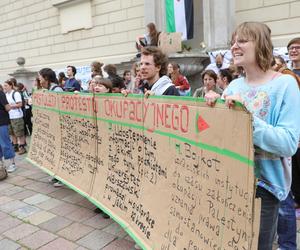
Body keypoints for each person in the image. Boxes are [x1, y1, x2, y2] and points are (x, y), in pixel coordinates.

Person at [206, 22, 300, 250]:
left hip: (265, 188)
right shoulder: (233, 87)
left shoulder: (285, 84)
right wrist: (209, 113)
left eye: (242, 41)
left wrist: (245, 118)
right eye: (233, 42)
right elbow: (218, 137)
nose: (234, 47)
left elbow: (288, 143)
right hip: (228, 181)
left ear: (261, 44)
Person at [38, 68, 64, 187]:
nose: (39, 79)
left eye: (40, 77)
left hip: (59, 127)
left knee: (60, 152)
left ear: (46, 78)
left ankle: (62, 177)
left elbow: (61, 108)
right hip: (52, 126)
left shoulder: (57, 90)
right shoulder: (47, 90)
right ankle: (56, 174)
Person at [3, 80, 27, 155]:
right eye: (4, 86)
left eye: (6, 85)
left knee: (19, 133)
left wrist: (10, 106)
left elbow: (20, 104)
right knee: (12, 133)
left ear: (11, 85)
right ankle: (15, 146)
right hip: (9, 117)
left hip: (17, 116)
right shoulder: (6, 94)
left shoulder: (15, 93)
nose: (4, 87)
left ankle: (22, 147)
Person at [0, 87, 16, 173]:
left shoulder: (1, 94)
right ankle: (1, 165)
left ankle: (12, 163)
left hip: (2, 122)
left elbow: (7, 107)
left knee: (5, 143)